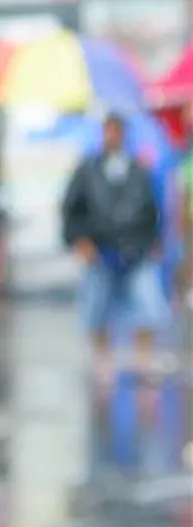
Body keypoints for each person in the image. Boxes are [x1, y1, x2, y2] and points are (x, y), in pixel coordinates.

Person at [62, 113, 172, 379]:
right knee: (96, 310)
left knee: (148, 307)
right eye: (108, 131)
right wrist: (79, 240)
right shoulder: (87, 170)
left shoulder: (139, 170)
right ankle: (103, 360)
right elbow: (70, 209)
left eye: (117, 131)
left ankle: (144, 360)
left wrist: (154, 240)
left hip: (136, 248)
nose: (112, 136)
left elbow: (152, 209)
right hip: (101, 250)